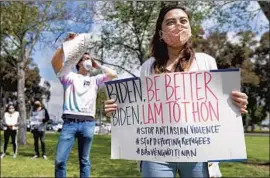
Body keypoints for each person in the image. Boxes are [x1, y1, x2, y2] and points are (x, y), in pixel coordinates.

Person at [104, 5, 248, 178]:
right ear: (161, 33)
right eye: (171, 22)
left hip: (199, 150)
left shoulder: (206, 62)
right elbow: (139, 107)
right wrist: (118, 109)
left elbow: (217, 105)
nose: (178, 25)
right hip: (157, 151)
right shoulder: (147, 67)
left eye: (183, 21)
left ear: (190, 28)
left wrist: (234, 103)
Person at [51, 32, 117, 178]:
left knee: (85, 161)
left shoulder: (95, 80)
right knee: (60, 160)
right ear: (78, 63)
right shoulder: (69, 77)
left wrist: (98, 65)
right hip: (69, 123)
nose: (88, 61)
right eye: (85, 58)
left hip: (88, 124)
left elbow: (113, 75)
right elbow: (54, 62)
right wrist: (65, 46)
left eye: (89, 59)